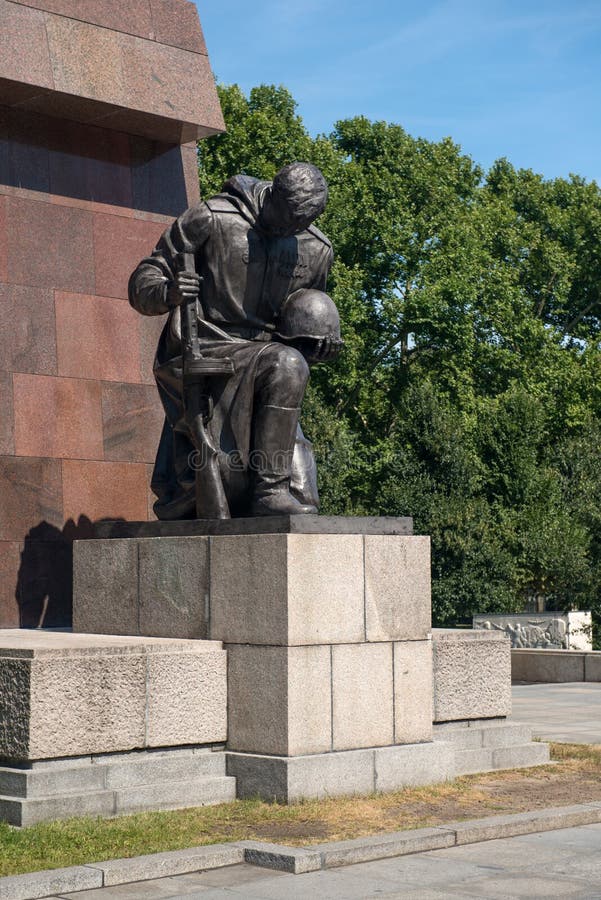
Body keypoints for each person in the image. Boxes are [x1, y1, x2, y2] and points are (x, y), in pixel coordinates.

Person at [128, 161, 341, 519]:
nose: (290, 230)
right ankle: (269, 491)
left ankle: (271, 488)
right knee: (286, 363)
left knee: (305, 499)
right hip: (209, 346)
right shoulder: (212, 218)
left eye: (300, 225)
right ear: (272, 195)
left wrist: (316, 343)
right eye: (286, 219)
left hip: (272, 359)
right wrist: (168, 291)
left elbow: (299, 321)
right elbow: (143, 282)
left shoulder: (316, 248)